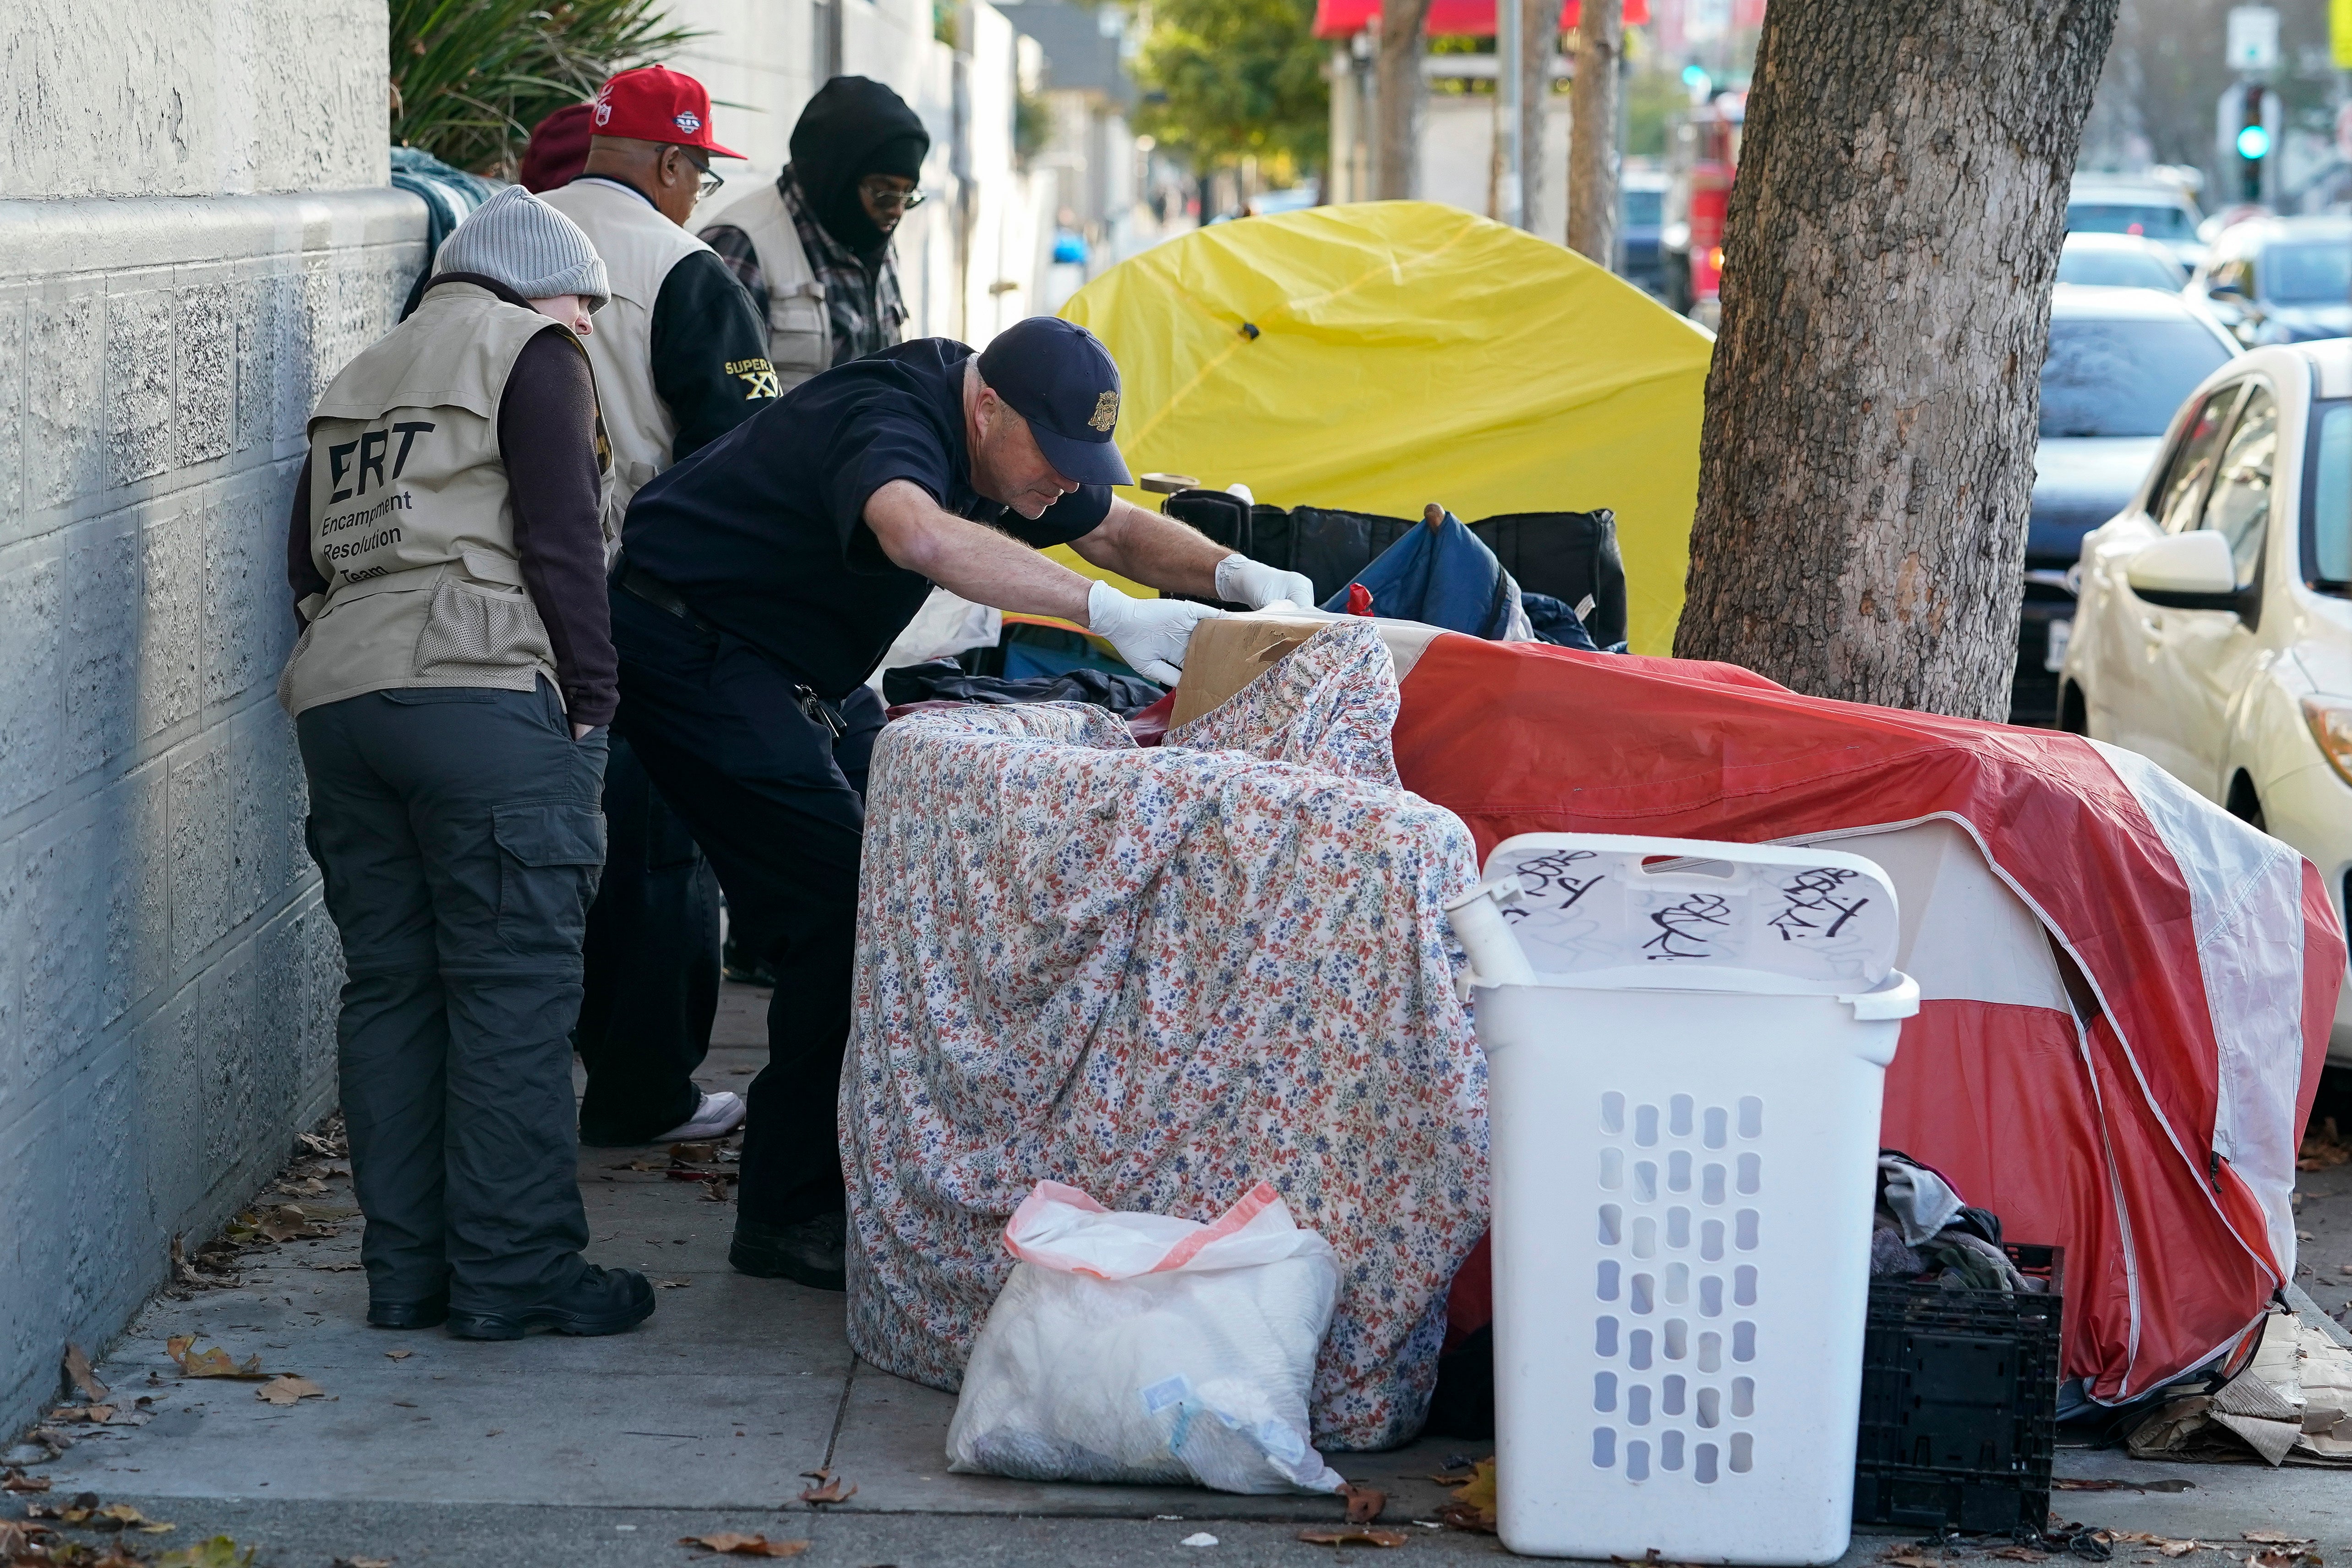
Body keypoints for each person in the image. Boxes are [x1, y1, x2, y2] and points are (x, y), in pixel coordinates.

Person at [607, 316, 1320, 1289]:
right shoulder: (891, 416)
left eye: (1080, 459)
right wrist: (1100, 613)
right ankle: (787, 1209)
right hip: (686, 643)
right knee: (840, 910)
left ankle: (881, 1162)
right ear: (984, 408)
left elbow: (1110, 526)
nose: (1063, 482)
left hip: (794, 664)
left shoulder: (1012, 451)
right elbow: (917, 532)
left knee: (916, 869)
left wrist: (1238, 576)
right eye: (1052, 457)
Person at [281, 187, 655, 1340]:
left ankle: (410, 1276)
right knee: (512, 992)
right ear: (538, 286)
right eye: (583, 302)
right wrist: (593, 696)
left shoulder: (364, 372)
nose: (587, 325)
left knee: (392, 989)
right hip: (480, 693)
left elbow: (302, 558)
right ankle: (516, 1271)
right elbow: (558, 536)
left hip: (342, 702)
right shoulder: (528, 349)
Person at [542, 65, 779, 1149]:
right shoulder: (683, 269)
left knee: (524, 850)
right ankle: (643, 1090)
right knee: (649, 851)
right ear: (673, 164)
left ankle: (526, 1091)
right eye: (697, 170)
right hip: (632, 605)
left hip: (489, 603)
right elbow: (742, 465)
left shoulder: (491, 243)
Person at [701, 76, 928, 390]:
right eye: (884, 192)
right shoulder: (741, 246)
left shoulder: (871, 234)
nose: (897, 211)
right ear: (836, 177)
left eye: (909, 195)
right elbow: (719, 409)